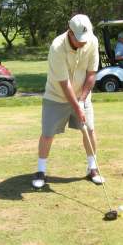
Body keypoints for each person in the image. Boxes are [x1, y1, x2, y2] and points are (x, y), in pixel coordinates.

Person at [32, 14, 104, 188]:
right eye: (79, 39)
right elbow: (64, 84)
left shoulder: (92, 41)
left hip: (82, 94)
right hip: (56, 95)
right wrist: (77, 106)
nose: (83, 43)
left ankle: (92, 168)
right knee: (48, 133)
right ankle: (41, 170)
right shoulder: (57, 47)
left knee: (89, 129)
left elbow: (91, 74)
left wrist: (82, 100)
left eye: (85, 39)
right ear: (69, 32)